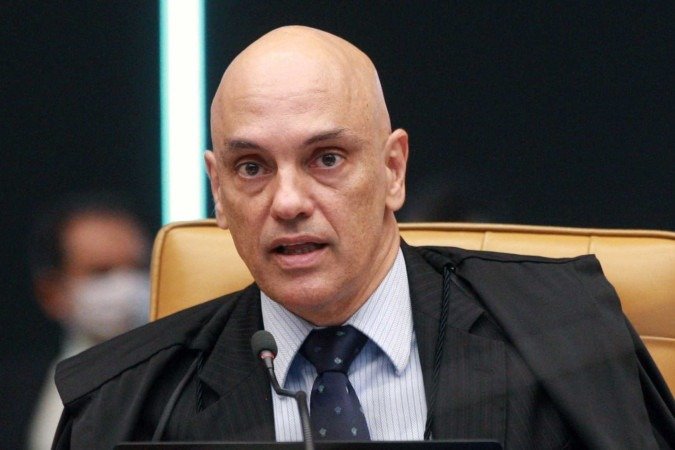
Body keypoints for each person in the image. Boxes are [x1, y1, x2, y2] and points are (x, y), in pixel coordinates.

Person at [53, 26, 674, 449]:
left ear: (392, 170)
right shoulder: (125, 405)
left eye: (326, 159)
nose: (288, 202)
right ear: (218, 190)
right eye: (252, 168)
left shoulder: (565, 330)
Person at [26, 192, 151, 450]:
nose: (124, 285)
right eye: (101, 272)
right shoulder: (16, 394)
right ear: (51, 293)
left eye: (138, 267)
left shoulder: (186, 383)